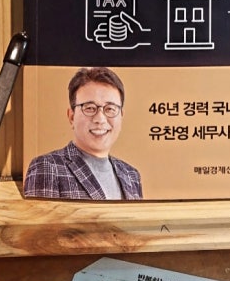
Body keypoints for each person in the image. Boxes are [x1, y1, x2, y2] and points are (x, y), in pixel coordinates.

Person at [24, 66, 142, 200]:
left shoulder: (131, 175)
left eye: (110, 109)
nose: (100, 119)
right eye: (90, 108)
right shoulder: (47, 167)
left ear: (121, 116)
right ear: (71, 117)